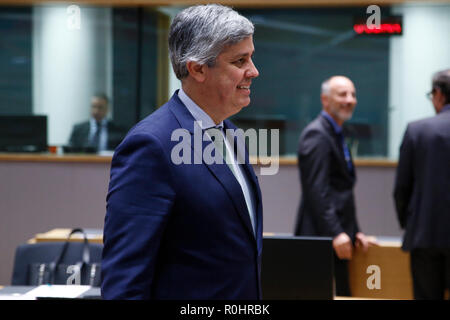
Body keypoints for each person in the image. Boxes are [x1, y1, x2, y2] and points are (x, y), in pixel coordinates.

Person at [101, 4, 262, 300]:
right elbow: (125, 279)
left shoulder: (233, 134)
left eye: (250, 58)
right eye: (240, 61)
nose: (253, 71)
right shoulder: (151, 145)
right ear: (197, 68)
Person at [294, 75, 377, 296]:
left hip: (337, 237)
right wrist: (337, 232)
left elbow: (341, 191)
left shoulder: (337, 133)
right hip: (322, 239)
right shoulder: (317, 134)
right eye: (342, 94)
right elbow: (317, 191)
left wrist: (355, 231)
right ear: (325, 100)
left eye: (353, 94)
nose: (350, 99)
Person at [393, 69, 450, 300]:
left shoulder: (417, 130)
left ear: (437, 94)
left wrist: (410, 223)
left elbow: (401, 189)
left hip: (425, 235)